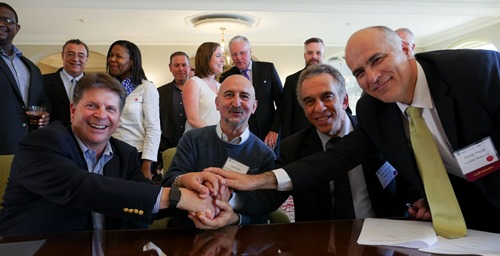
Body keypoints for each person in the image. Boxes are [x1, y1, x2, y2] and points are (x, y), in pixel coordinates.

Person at [207, 26, 500, 234]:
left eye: (377, 60)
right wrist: (255, 182)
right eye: (360, 71)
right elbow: (336, 159)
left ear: (406, 48)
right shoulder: (376, 110)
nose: (372, 77)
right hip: (464, 218)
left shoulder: (477, 71)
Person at [0, 73, 219, 235]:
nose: (101, 115)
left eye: (111, 109)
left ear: (119, 118)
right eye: (91, 105)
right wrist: (176, 196)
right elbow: (82, 187)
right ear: (73, 110)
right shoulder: (42, 142)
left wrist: (199, 196)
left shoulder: (126, 154)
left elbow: (142, 198)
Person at [277, 63, 408, 222]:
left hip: (384, 234)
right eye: (309, 101)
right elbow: (270, 196)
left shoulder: (376, 132)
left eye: (327, 96)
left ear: (344, 100)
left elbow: (409, 177)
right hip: (321, 240)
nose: (319, 108)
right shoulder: (292, 149)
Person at [162, 75, 287, 229]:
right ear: (217, 103)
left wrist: (234, 213)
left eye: (244, 96)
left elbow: (264, 209)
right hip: (188, 230)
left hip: (237, 236)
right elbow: (168, 183)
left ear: (254, 107)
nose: (236, 103)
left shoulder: (264, 155)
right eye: (229, 95)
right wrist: (185, 179)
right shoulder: (191, 139)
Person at [0, 2, 50, 155]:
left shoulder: (31, 67)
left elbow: (43, 100)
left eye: (7, 20)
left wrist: (45, 114)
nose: (1, 24)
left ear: (17, 28)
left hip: (29, 147)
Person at [106, 40, 161, 180]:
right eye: (111, 55)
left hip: (136, 155)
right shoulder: (106, 88)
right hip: (108, 152)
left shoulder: (146, 87)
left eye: (118, 56)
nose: (112, 59)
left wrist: (147, 165)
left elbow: (153, 128)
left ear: (132, 62)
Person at [219, 36, 283, 155]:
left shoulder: (267, 69)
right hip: (239, 136)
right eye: (234, 54)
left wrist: (275, 130)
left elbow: (282, 102)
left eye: (242, 53)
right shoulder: (226, 76)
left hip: (268, 135)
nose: (238, 58)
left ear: (250, 51)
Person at [281, 37, 324, 140]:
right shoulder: (291, 81)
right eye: (310, 53)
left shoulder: (334, 79)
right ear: (305, 55)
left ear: (323, 55)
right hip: (300, 139)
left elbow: (345, 110)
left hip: (329, 137)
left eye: (318, 53)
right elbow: (286, 117)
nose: (314, 56)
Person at [43, 39, 89, 123]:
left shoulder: (94, 85)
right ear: (63, 56)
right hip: (54, 134)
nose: (75, 59)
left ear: (86, 59)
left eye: (81, 55)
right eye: (71, 54)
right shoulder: (43, 81)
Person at [183, 42, 224, 132]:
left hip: (217, 141)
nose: (223, 60)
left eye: (222, 56)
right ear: (206, 58)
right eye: (218, 55)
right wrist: (215, 135)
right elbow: (193, 119)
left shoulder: (221, 86)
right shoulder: (193, 83)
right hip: (197, 140)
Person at [158, 51, 190, 152]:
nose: (180, 69)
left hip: (194, 147)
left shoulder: (200, 90)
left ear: (189, 67)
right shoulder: (159, 92)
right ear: (170, 68)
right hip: (168, 149)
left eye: (184, 65)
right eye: (176, 65)